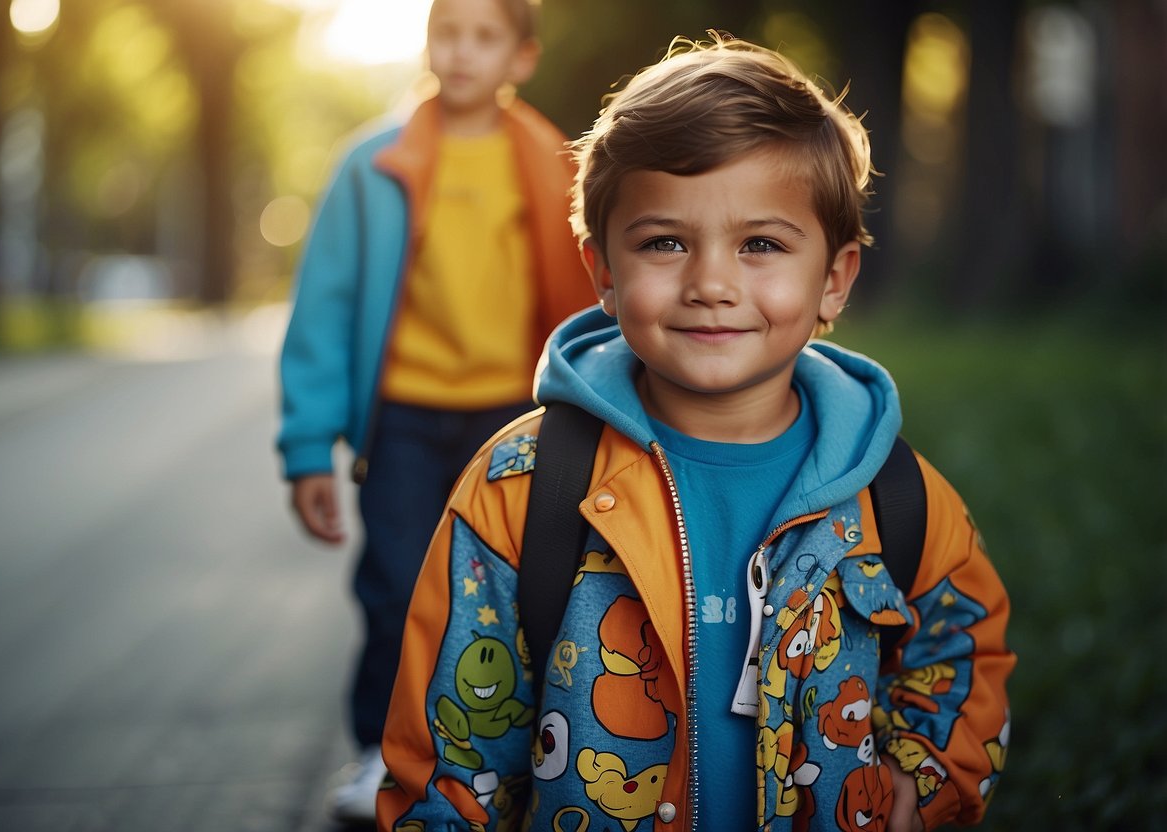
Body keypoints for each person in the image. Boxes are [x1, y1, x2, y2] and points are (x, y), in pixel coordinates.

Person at [377, 33, 1015, 832]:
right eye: (664, 243)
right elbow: (451, 745)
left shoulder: (894, 497)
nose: (711, 284)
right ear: (603, 272)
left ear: (834, 279)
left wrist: (922, 780)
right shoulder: (521, 487)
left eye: (760, 245)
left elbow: (962, 652)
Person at [277, 0, 589, 822]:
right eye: (446, 32)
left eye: (484, 37)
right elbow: (323, 309)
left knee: (521, 597)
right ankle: (379, 752)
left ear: (520, 58)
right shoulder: (372, 166)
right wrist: (309, 446)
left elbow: (592, 290)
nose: (460, 53)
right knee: (396, 589)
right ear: (426, 42)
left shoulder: (557, 165)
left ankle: (503, 761)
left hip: (514, 414)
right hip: (405, 416)